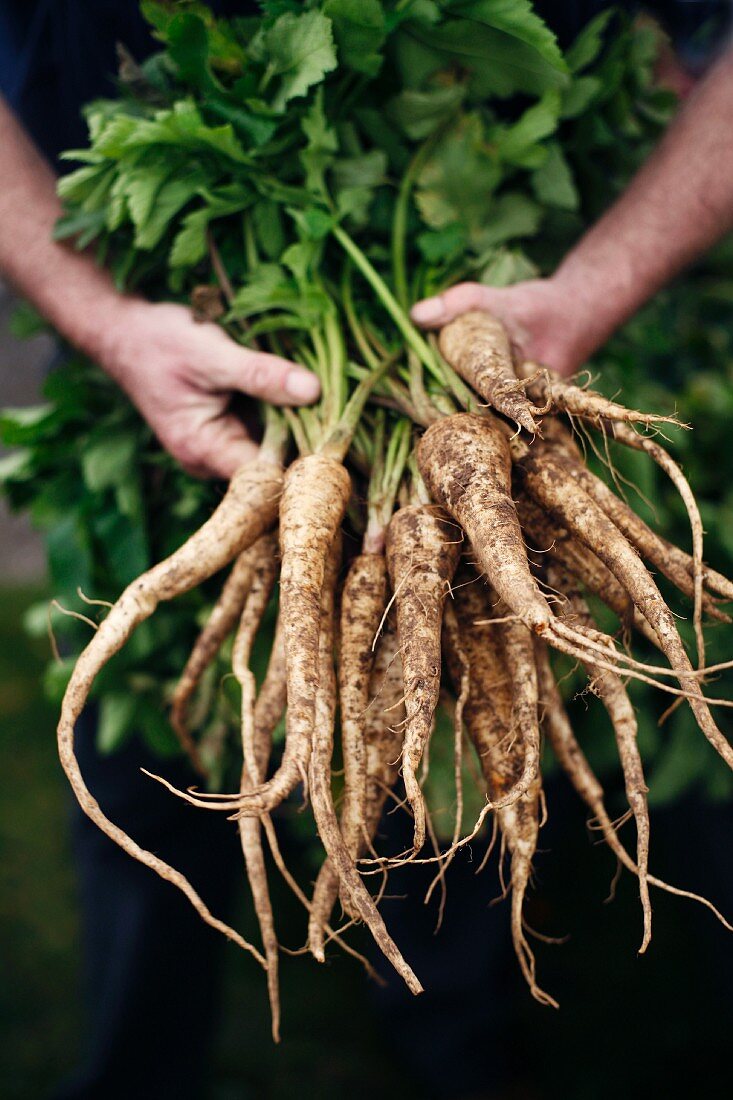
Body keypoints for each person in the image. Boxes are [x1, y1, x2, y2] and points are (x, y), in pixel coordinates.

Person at [1, 2, 731, 1097]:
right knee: (160, 723)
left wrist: (587, 292)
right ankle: (137, 1059)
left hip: (501, 319)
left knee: (451, 720)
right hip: (163, 359)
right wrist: (106, 326)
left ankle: (457, 1035)